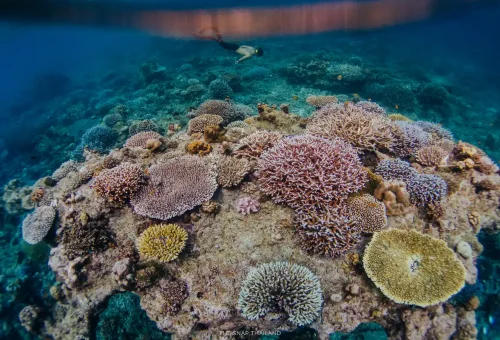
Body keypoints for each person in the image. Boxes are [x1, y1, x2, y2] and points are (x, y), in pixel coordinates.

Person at [194, 27, 264, 64]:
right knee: (218, 40)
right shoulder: (250, 55)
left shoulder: (252, 48)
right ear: (257, 55)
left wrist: (238, 48)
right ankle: (214, 30)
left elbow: (244, 46)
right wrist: (237, 61)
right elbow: (243, 58)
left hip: (235, 46)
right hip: (232, 48)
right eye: (257, 55)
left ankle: (214, 32)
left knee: (217, 39)